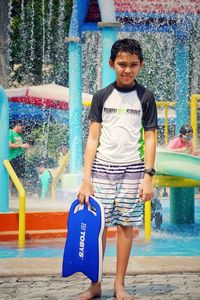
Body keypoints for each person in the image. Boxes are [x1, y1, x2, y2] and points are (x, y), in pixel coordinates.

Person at [77, 38, 158, 300]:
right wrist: (85, 179)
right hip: (101, 171)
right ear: (112, 64)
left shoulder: (145, 97)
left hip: (133, 172)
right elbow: (92, 139)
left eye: (133, 65)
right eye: (122, 64)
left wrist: (148, 176)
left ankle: (119, 285)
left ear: (141, 65)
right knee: (97, 228)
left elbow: (150, 138)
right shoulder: (102, 96)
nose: (127, 70)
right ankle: (95, 284)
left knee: (125, 227)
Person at [9, 120, 31, 192]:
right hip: (13, 158)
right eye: (22, 128)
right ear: (17, 125)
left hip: (20, 157)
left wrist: (25, 147)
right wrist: (22, 145)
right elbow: (9, 145)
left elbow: (20, 146)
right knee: (12, 177)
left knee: (21, 176)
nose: (22, 130)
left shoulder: (20, 135)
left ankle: (21, 193)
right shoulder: (10, 133)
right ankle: (9, 193)